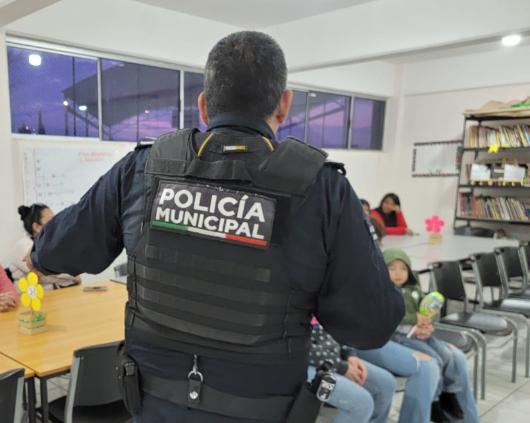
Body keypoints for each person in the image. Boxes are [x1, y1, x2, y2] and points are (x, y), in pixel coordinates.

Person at [27, 31, 404, 422]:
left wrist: (37, 256)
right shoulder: (323, 190)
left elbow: (55, 251)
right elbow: (372, 325)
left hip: (156, 406)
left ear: (204, 106)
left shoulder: (144, 169)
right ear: (284, 104)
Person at [385, 248, 479, 422]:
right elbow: (392, 316)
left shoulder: (413, 288)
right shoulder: (384, 292)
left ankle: (450, 394)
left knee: (450, 355)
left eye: (403, 269)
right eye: (392, 268)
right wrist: (416, 319)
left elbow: (428, 307)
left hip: (421, 334)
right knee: (434, 360)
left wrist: (428, 323)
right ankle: (435, 401)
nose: (398, 273)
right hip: (401, 338)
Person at [308, 319, 396, 423]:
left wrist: (350, 354)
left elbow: (339, 324)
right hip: (303, 363)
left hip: (334, 355)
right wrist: (341, 367)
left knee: (386, 383)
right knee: (362, 404)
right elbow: (298, 347)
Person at [10, 204, 80, 289]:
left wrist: (71, 274)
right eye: (51, 221)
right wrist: (72, 276)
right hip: (28, 296)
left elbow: (70, 270)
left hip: (54, 294)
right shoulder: (23, 245)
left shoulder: (52, 245)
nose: (56, 224)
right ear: (36, 227)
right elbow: (44, 273)